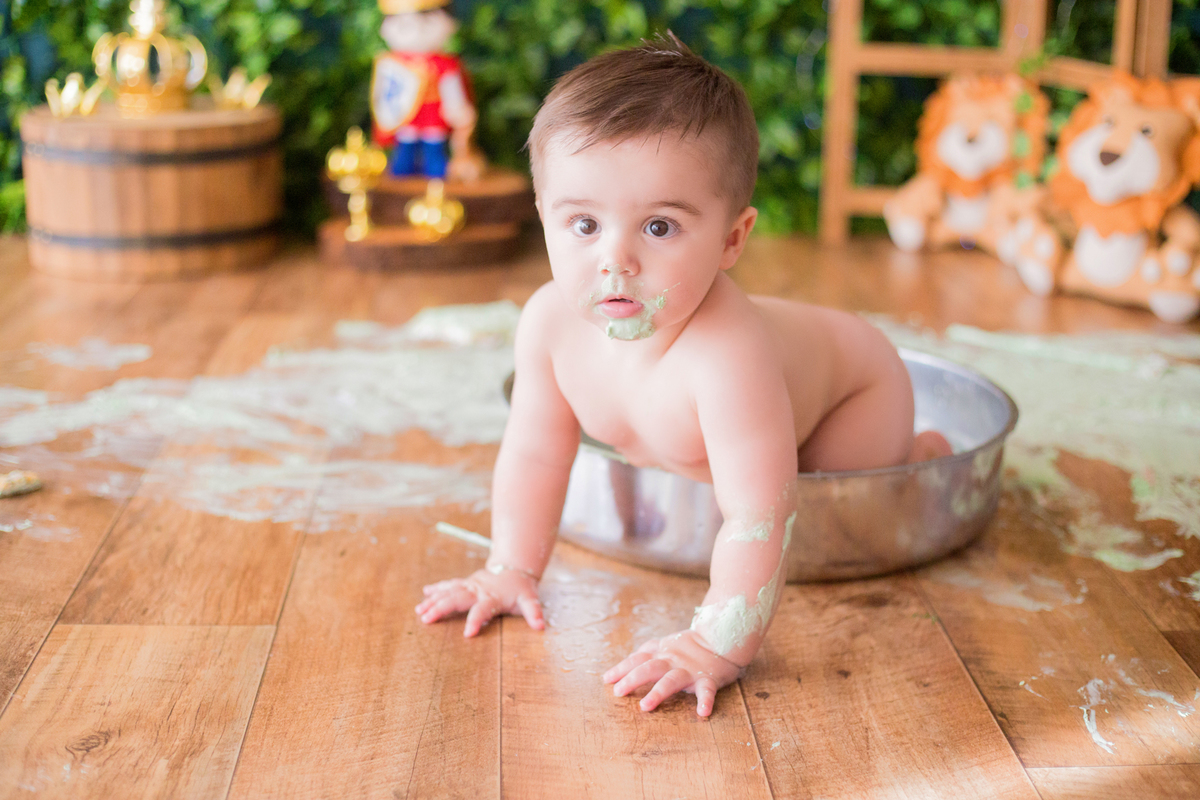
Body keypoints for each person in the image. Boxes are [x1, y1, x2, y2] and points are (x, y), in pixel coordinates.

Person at [416, 34, 951, 717]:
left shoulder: (727, 356)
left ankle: (923, 453)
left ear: (732, 239)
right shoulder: (549, 325)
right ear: (544, 217)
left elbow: (760, 513)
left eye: (660, 228)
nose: (616, 259)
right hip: (777, 394)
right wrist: (510, 568)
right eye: (583, 223)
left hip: (853, 391)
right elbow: (534, 454)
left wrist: (716, 644)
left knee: (838, 489)